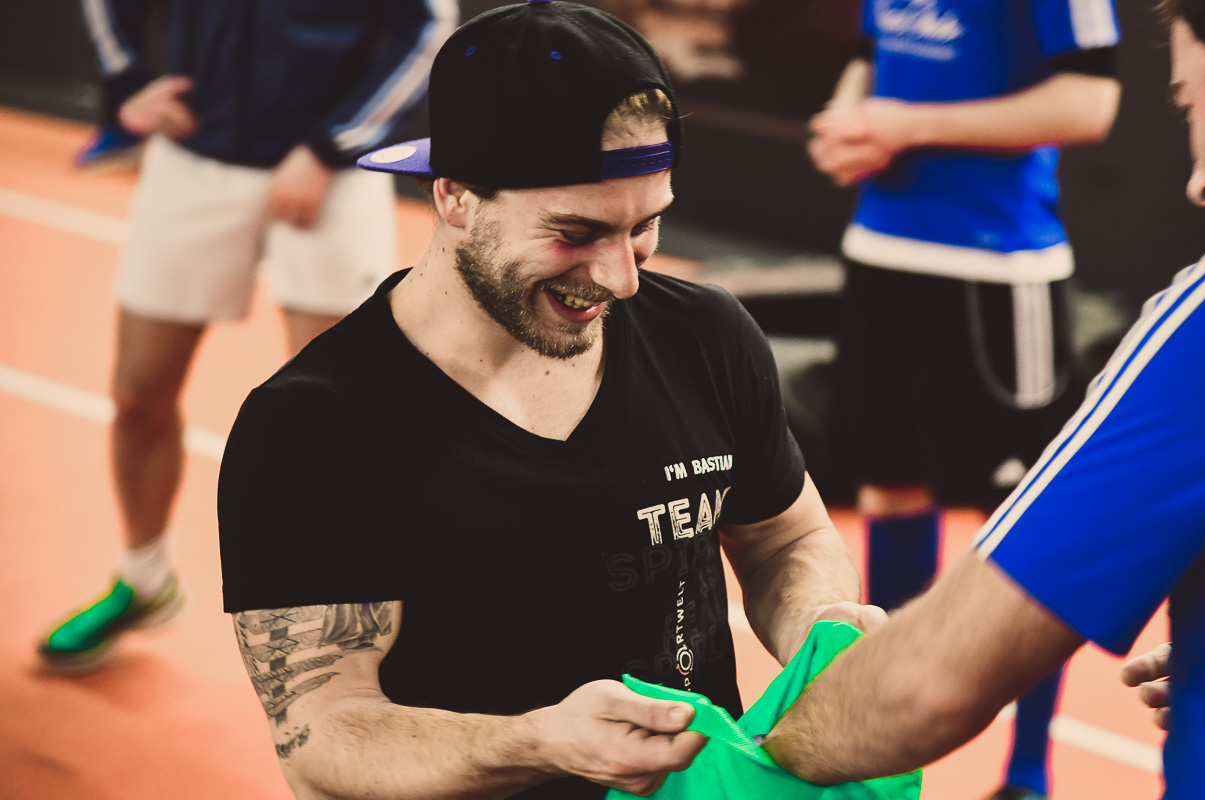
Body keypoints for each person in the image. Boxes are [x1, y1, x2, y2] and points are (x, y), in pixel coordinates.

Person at [765, 0, 1205, 796]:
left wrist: (750, 755)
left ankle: (1027, 775)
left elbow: (925, 687)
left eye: (1190, 101)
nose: (1200, 180)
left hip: (990, 265)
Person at [216, 3, 883, 798]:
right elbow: (322, 731)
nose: (621, 278)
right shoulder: (313, 425)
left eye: (645, 227)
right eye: (576, 232)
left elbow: (784, 539)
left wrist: (823, 628)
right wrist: (539, 743)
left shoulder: (706, 335)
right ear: (456, 195)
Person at [38, 0, 459, 672]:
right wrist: (126, 82)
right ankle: (144, 579)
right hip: (192, 157)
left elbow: (430, 27)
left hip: (330, 176)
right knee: (139, 394)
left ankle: (358, 623)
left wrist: (333, 146)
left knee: (340, 417)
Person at [808, 1, 1120, 796]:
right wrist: (850, 116)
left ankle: (1026, 775)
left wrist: (904, 125)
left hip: (995, 270)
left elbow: (1091, 101)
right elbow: (874, 56)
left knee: (1022, 528)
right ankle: (884, 768)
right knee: (889, 495)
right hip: (878, 251)